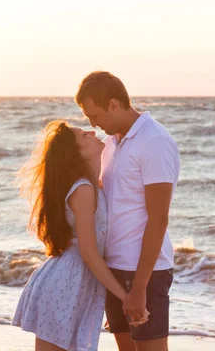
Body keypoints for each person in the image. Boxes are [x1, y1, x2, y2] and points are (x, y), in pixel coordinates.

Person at [12, 120, 148, 351]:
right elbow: (89, 252)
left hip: (76, 281)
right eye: (84, 135)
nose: (92, 131)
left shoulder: (95, 186)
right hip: (66, 282)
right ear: (77, 153)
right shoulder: (84, 189)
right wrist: (125, 299)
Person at [75, 71, 180, 351]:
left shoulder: (154, 140)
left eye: (94, 115)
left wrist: (139, 289)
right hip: (115, 270)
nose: (93, 124)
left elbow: (158, 218)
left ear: (113, 104)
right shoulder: (111, 144)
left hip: (145, 272)